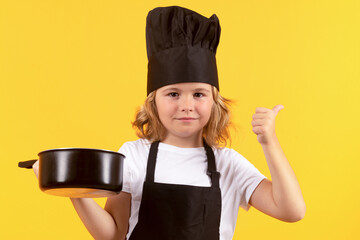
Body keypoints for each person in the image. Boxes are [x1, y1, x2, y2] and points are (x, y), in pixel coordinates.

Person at [33, 5, 305, 240]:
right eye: (173, 94)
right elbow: (113, 234)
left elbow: (292, 210)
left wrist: (269, 143)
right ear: (153, 101)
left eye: (198, 94)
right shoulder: (132, 157)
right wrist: (71, 189)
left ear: (214, 101)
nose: (186, 105)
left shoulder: (228, 164)